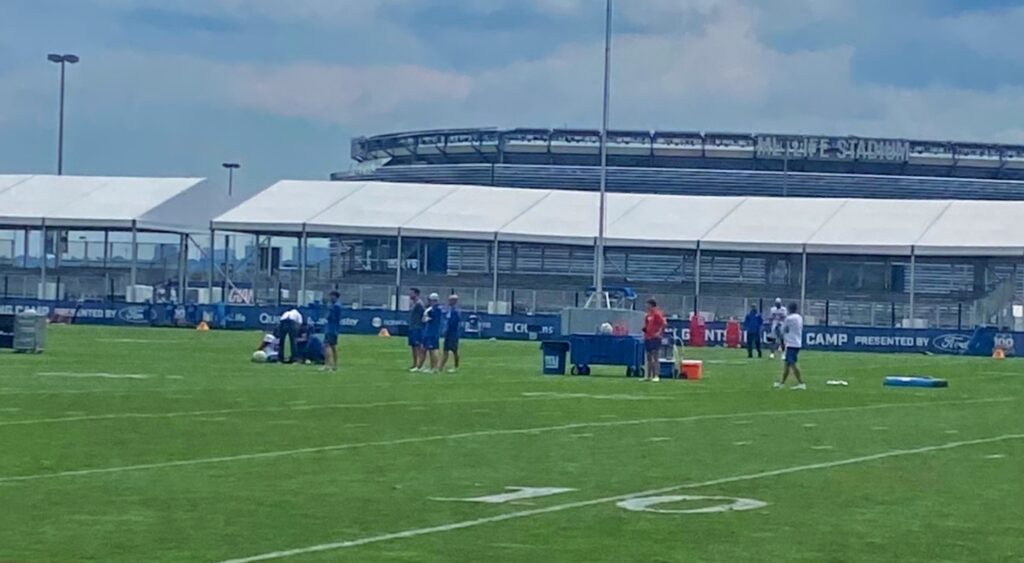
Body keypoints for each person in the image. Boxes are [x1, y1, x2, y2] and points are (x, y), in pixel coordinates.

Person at [774, 302, 806, 390]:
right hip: (797, 342)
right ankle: (781, 383)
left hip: (791, 343)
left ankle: (801, 383)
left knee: (792, 363)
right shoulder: (799, 317)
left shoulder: (789, 318)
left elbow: (783, 330)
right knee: (787, 364)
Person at [642, 298, 666, 382]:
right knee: (648, 357)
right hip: (648, 337)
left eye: (647, 304)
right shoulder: (648, 315)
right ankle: (648, 375)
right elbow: (647, 325)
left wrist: (658, 333)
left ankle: (656, 375)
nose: (646, 306)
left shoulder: (657, 313)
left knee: (655, 356)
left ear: (651, 305)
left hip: (655, 338)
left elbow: (663, 324)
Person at [420, 293, 443, 373]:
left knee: (433, 350)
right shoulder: (432, 308)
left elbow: (431, 319)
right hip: (429, 331)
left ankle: (434, 368)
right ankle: (431, 367)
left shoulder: (436, 309)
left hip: (432, 332)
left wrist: (427, 318)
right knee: (429, 349)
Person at [439, 294, 461, 373]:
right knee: (445, 350)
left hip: (453, 334)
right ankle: (440, 367)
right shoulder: (449, 310)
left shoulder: (456, 311)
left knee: (454, 351)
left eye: (450, 300)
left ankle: (456, 366)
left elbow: (454, 322)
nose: (449, 302)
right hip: (448, 334)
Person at [322, 290, 342, 372]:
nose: (330, 298)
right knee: (333, 347)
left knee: (327, 346)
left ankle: (328, 365)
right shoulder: (336, 305)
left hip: (331, 329)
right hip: (334, 329)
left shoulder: (335, 306)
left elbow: (329, 316)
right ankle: (334, 365)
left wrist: (327, 306)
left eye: (331, 296)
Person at [407, 288, 426, 372]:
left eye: (411, 293)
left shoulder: (419, 304)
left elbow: (424, 315)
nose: (410, 295)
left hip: (417, 328)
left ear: (416, 294)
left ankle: (420, 364)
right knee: (413, 347)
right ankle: (415, 363)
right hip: (412, 327)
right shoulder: (413, 303)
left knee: (418, 347)